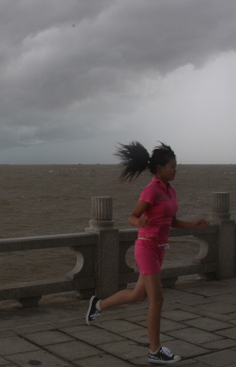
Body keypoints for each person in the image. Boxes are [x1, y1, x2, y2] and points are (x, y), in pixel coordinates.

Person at [85, 141, 208, 364]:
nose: (175, 169)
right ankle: (154, 350)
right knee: (157, 299)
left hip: (159, 249)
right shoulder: (151, 190)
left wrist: (194, 225)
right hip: (147, 248)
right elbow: (133, 216)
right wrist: (139, 221)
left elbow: (171, 222)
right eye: (172, 165)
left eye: (175, 165)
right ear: (159, 168)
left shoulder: (170, 190)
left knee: (137, 295)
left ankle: (98, 305)